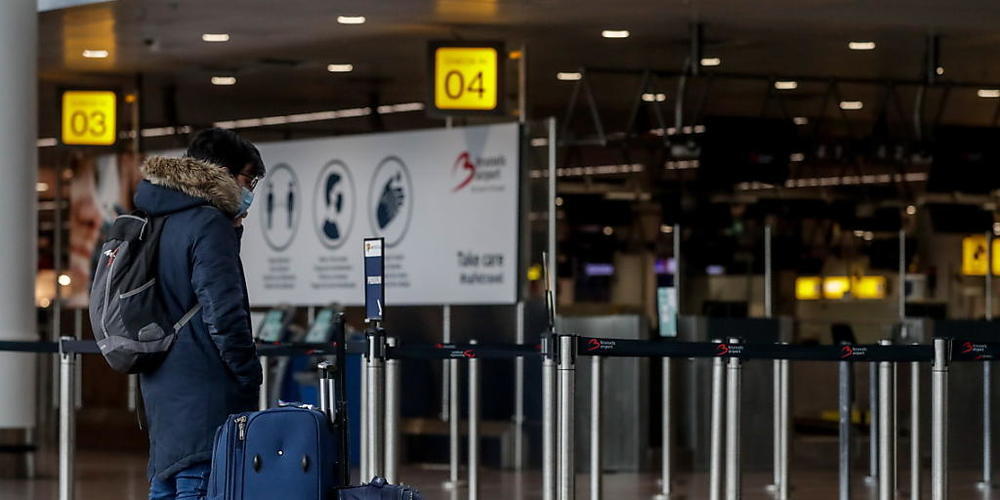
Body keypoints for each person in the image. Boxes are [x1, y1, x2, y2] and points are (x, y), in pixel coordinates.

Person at [135, 128, 266, 500]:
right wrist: (247, 373)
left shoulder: (157, 215)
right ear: (222, 173)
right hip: (205, 386)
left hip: (161, 378)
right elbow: (223, 312)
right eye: (248, 179)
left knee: (165, 484)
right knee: (201, 482)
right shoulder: (208, 224)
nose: (250, 191)